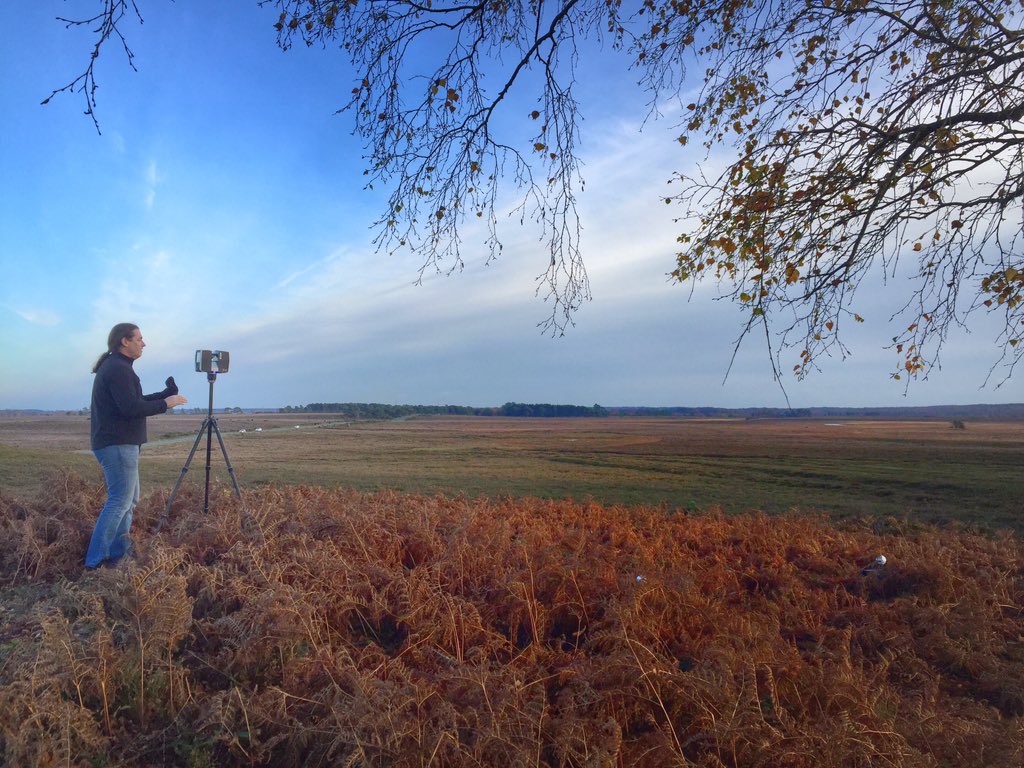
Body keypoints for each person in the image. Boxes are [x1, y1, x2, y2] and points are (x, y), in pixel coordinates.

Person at [85, 323, 188, 569]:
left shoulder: (118, 368)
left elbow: (135, 401)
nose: (144, 343)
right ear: (124, 341)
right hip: (117, 444)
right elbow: (130, 409)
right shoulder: (118, 369)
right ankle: (96, 562)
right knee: (120, 501)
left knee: (129, 500)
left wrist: (164, 395)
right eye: (139, 338)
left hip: (120, 444)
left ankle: (119, 554)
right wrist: (167, 404)